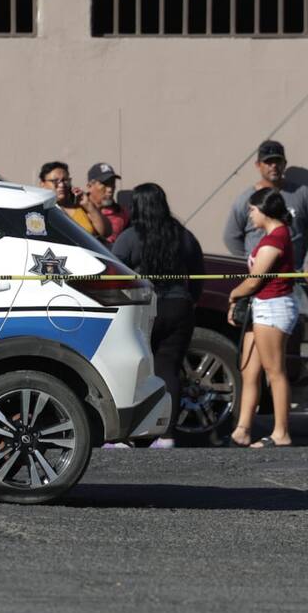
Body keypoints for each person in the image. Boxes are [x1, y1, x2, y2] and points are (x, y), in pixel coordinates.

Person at [111, 183, 204, 448]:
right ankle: (167, 435)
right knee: (169, 369)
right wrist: (190, 300)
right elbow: (198, 273)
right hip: (178, 306)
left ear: (137, 207)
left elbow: (114, 271)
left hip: (143, 307)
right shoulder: (183, 235)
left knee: (135, 369)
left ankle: (128, 435)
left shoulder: (129, 237)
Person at [228, 189, 297, 448]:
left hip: (274, 307)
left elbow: (254, 280)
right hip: (262, 307)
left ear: (264, 211)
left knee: (274, 371)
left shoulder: (275, 239)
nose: (250, 215)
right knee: (249, 370)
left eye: (252, 210)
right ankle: (242, 430)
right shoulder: (271, 237)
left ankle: (281, 433)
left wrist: (233, 295)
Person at [223, 140, 308, 275]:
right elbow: (231, 236)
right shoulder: (247, 199)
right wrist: (250, 262)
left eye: (278, 161)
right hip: (260, 280)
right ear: (258, 165)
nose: (274, 166)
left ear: (284, 164)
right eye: (268, 162)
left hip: (294, 277)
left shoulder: (302, 194)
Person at [38, 161, 110, 239]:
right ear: (42, 184)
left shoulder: (81, 205)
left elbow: (105, 232)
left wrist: (89, 205)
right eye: (55, 181)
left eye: (65, 180)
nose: (61, 185)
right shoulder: (39, 211)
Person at [86, 162, 129, 243]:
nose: (110, 189)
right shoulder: (78, 210)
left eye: (112, 183)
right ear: (89, 186)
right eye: (105, 184)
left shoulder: (121, 213)